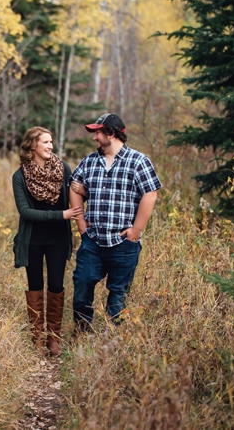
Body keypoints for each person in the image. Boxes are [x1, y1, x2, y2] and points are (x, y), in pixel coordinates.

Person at [69, 113, 161, 330]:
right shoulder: (90, 161)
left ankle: (115, 339)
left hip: (123, 241)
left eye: (98, 133)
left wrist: (136, 229)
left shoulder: (138, 161)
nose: (94, 138)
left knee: (118, 293)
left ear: (111, 134)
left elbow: (150, 194)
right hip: (93, 240)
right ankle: (82, 331)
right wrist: (81, 223)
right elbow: (74, 186)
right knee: (82, 283)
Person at [12, 127, 84, 356]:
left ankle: (54, 337)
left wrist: (85, 193)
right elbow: (25, 212)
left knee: (56, 285)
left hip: (58, 238)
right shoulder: (20, 176)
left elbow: (75, 195)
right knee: (35, 286)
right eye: (45, 142)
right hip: (32, 238)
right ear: (32, 145)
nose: (50, 146)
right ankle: (37, 337)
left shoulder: (63, 169)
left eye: (51, 141)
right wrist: (61, 215)